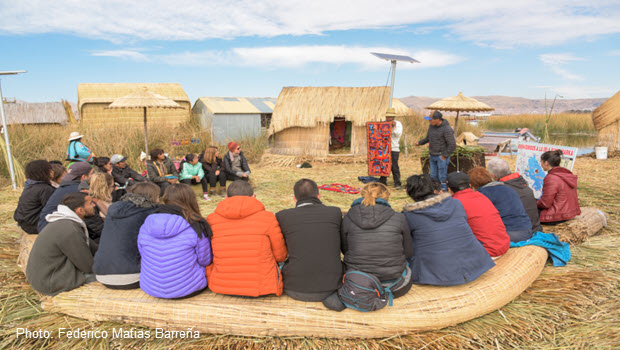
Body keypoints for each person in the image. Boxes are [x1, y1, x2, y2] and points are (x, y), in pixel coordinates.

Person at [402, 175, 494, 286]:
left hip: (437, 273)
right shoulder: (456, 203)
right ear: (435, 190)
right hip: (476, 263)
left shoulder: (409, 215)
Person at [206, 180, 287, 297]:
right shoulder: (267, 217)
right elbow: (280, 256)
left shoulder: (212, 219)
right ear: (253, 197)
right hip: (262, 287)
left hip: (222, 285)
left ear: (226, 197)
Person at [138, 183, 212, 299]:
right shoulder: (195, 225)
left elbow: (143, 253)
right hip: (189, 288)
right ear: (191, 200)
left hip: (152, 288)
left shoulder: (147, 224)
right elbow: (205, 260)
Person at [275, 179, 343, 305]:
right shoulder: (334, 213)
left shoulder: (283, 216)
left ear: (295, 198)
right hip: (332, 287)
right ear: (319, 195)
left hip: (294, 287)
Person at [341, 182, 413, 298]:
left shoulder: (348, 217)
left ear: (363, 195)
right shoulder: (399, 218)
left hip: (358, 282)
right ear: (386, 197)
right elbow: (408, 252)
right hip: (394, 285)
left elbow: (345, 250)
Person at [26, 192, 98, 296]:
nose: (94, 205)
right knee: (105, 276)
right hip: (51, 282)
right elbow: (87, 266)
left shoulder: (66, 222)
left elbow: (94, 248)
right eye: (90, 203)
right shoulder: (69, 229)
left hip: (45, 277)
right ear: (80, 210)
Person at [93, 182, 160, 290]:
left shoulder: (113, 210)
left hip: (102, 273)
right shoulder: (149, 212)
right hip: (132, 276)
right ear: (153, 197)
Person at [447, 172, 510, 258]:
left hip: (487, 252)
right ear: (469, 185)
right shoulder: (481, 196)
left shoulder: (455, 203)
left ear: (449, 190)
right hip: (503, 244)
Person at [468, 167, 533, 243]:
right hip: (527, 230)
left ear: (472, 185)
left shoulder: (482, 195)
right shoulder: (508, 188)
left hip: (509, 233)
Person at [486, 157, 542, 232]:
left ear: (494, 176)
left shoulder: (500, 190)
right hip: (535, 228)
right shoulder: (522, 182)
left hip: (519, 231)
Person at [38, 162, 93, 233]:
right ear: (84, 177)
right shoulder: (78, 191)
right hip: (54, 231)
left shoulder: (64, 187)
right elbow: (91, 221)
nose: (93, 176)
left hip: (46, 227)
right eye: (91, 174)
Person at [415, 111, 456, 191]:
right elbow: (428, 138)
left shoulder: (447, 129)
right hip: (432, 155)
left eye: (431, 119)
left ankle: (444, 192)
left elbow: (452, 145)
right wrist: (419, 143)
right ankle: (436, 191)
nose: (429, 121)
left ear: (437, 119)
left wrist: (444, 155)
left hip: (441, 157)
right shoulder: (431, 126)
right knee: (433, 176)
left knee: (442, 176)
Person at [537, 150, 581, 224]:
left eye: (541, 162)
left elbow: (545, 203)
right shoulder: (565, 173)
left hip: (557, 216)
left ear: (546, 163)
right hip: (569, 213)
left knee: (528, 209)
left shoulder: (551, 177)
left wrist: (535, 203)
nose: (541, 165)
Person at [14, 160, 56, 235]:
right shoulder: (45, 189)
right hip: (35, 225)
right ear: (46, 172)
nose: (52, 171)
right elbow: (52, 209)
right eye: (50, 169)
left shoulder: (29, 186)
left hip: (25, 223)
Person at [379, 108, 403, 190]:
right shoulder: (383, 123)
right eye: (387, 117)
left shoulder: (398, 124)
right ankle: (382, 181)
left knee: (394, 166)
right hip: (384, 148)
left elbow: (398, 134)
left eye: (390, 117)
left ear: (393, 117)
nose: (388, 118)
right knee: (383, 165)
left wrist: (393, 126)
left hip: (394, 148)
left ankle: (397, 183)